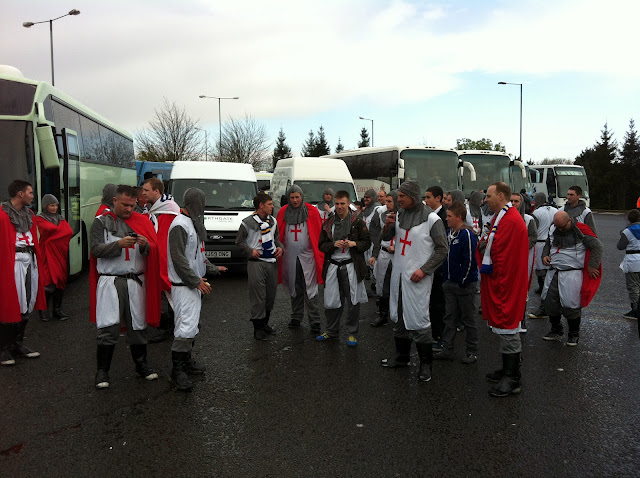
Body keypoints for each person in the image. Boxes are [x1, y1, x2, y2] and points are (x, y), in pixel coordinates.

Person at [89, 184, 162, 389]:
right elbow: (95, 250)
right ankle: (102, 371)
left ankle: (141, 365)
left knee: (137, 326)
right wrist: (118, 245)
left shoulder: (142, 221)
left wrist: (146, 245)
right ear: (115, 201)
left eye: (132, 205)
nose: (129, 209)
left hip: (136, 282)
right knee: (108, 327)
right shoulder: (100, 222)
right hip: (110, 281)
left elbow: (154, 248)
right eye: (125, 205)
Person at [381, 181, 448, 382]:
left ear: (413, 196)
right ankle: (402, 357)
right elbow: (386, 237)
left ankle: (426, 364)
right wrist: (388, 226)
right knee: (398, 316)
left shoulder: (432, 219)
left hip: (418, 277)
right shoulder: (400, 214)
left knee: (419, 319)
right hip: (399, 274)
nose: (398, 199)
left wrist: (424, 270)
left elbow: (442, 249)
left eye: (402, 196)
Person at [167, 188, 224, 391]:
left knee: (192, 326)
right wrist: (195, 281)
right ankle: (177, 371)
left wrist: (213, 268)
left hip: (192, 285)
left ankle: (186, 362)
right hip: (184, 286)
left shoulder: (192, 224)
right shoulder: (180, 225)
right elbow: (179, 259)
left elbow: (197, 255)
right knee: (185, 328)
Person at [478, 182, 529, 397]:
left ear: (501, 196)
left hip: (507, 282)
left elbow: (500, 250)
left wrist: (483, 245)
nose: (486, 200)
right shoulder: (503, 217)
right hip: (503, 280)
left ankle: (513, 377)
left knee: (509, 326)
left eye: (489, 196)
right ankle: (508, 369)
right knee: (504, 326)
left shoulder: (510, 220)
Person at [0, 180, 46, 366]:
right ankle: (4, 348)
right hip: (11, 263)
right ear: (20, 194)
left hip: (29, 261)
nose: (32, 196)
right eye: (30, 192)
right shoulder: (2, 215)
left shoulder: (29, 214)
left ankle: (17, 344)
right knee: (10, 302)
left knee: (27, 301)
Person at [316, 190, 371, 346]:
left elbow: (367, 242)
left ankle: (352, 333)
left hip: (351, 265)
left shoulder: (357, 222)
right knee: (331, 300)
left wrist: (354, 244)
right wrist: (333, 244)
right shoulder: (329, 223)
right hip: (333, 265)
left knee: (353, 301)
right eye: (337, 204)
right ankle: (331, 330)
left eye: (342, 203)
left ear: (348, 204)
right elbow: (321, 245)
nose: (339, 207)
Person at [541, 211, 602, 345]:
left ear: (569, 221)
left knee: (571, 304)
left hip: (572, 274)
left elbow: (597, 246)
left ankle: (574, 334)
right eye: (558, 227)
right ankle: (556, 329)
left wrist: (592, 266)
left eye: (563, 227)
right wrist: (545, 255)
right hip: (554, 272)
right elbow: (548, 243)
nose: (560, 230)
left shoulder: (581, 230)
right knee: (550, 302)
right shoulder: (554, 229)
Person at [434, 201, 479, 363]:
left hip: (464, 285)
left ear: (459, 217)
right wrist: (445, 277)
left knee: (468, 319)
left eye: (450, 216)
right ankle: (447, 349)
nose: (446, 219)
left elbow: (470, 260)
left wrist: (463, 280)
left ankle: (472, 351)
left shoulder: (466, 234)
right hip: (449, 283)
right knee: (449, 317)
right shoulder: (449, 233)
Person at [235, 192, 284, 340]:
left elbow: (277, 239)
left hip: (271, 262)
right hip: (256, 263)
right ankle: (258, 328)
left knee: (270, 296)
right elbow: (239, 242)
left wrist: (280, 248)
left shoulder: (273, 221)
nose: (272, 206)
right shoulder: (247, 222)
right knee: (258, 297)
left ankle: (265, 324)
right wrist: (250, 251)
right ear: (261, 205)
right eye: (269, 204)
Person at [276, 185, 324, 333]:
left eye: (297, 197)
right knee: (294, 287)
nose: (295, 200)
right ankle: (296, 316)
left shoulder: (312, 211)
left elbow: (318, 233)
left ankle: (314, 320)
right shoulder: (283, 212)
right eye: (292, 197)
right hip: (289, 257)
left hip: (308, 257)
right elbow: (278, 233)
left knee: (310, 288)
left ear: (302, 197)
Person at [142, 178, 181, 343]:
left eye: (146, 190)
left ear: (157, 191)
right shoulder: (151, 209)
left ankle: (169, 327)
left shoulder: (169, 211)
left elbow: (165, 239)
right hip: (153, 256)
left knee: (167, 293)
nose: (143, 193)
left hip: (165, 258)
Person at [35, 194, 73, 321]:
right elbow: (50, 228)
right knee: (47, 280)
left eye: (56, 205)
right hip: (46, 254)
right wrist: (59, 231)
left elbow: (68, 232)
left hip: (59, 254)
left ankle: (57, 310)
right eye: (51, 205)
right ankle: (43, 310)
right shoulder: (39, 218)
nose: (55, 208)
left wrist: (54, 235)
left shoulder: (59, 217)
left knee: (60, 279)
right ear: (45, 206)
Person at [423, 186, 447, 348]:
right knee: (431, 302)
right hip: (429, 263)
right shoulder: (428, 215)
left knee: (438, 303)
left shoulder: (443, 217)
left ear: (438, 198)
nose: (425, 201)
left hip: (438, 267)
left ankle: (439, 336)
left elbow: (442, 246)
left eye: (428, 197)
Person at [369, 191, 398, 327]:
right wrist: (374, 255)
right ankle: (383, 315)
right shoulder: (382, 214)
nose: (386, 204)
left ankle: (398, 316)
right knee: (382, 286)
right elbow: (379, 238)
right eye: (386, 201)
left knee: (397, 287)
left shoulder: (405, 216)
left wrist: (396, 247)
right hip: (384, 254)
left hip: (397, 256)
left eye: (389, 201)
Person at [528, 192, 558, 319]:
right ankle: (543, 289)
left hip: (540, 244)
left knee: (541, 271)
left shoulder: (536, 213)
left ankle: (544, 296)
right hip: (553, 243)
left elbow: (534, 231)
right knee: (549, 270)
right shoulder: (556, 210)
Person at [511, 192, 537, 333]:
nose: (513, 203)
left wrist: (520, 247)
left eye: (516, 201)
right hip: (508, 260)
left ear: (521, 203)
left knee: (522, 289)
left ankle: (521, 319)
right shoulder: (501, 218)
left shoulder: (528, 220)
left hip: (523, 259)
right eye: (511, 201)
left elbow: (533, 237)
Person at [617, 209, 640, 319]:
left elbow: (620, 246)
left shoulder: (627, 232)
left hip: (633, 261)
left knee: (633, 287)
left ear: (628, 219)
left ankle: (635, 310)